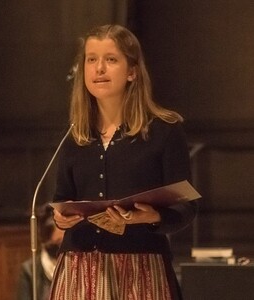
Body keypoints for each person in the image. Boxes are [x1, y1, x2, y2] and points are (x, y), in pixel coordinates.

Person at [49, 24, 197, 300]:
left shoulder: (165, 130)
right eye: (91, 59)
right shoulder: (74, 135)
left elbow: (186, 206)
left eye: (111, 59)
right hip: (79, 269)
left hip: (140, 268)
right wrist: (61, 219)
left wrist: (153, 216)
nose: (99, 68)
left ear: (132, 71)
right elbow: (61, 200)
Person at [16, 205, 64, 300]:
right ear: (45, 242)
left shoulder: (75, 266)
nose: (62, 247)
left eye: (65, 242)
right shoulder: (29, 271)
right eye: (58, 242)